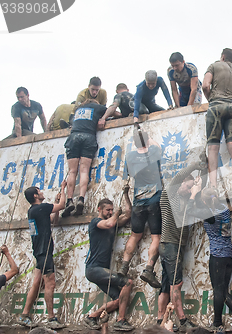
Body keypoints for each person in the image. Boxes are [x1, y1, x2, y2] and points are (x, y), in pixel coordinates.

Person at [186, 186, 232, 332]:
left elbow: (188, 209)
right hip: (229, 255)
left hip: (218, 256)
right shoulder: (223, 208)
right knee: (223, 291)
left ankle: (217, 323)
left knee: (218, 291)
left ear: (204, 200)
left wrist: (193, 194)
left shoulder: (209, 213)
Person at [158, 158, 208, 331]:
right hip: (170, 245)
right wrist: (196, 165)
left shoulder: (186, 202)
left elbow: (197, 197)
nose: (188, 191)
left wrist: (200, 178)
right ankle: (183, 320)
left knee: (166, 285)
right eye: (187, 187)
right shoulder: (170, 195)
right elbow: (180, 176)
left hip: (171, 246)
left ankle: (160, 321)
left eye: (190, 189)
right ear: (178, 187)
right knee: (175, 285)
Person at [202, 48, 232, 197]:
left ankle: (213, 187)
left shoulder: (214, 66)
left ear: (222, 57)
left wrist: (210, 98)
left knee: (213, 148)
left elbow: (205, 85)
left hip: (216, 107)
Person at [18, 181, 67, 329]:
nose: (42, 193)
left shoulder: (34, 211)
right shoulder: (41, 208)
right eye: (39, 191)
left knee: (37, 282)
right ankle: (51, 318)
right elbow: (63, 205)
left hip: (38, 252)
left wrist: (56, 205)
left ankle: (25, 315)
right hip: (44, 252)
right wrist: (63, 189)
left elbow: (53, 220)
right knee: (50, 283)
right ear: (35, 195)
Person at [118, 129, 163, 289]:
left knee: (134, 235)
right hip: (154, 199)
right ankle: (149, 269)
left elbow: (128, 174)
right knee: (156, 237)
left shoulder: (130, 156)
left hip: (138, 200)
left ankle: (124, 266)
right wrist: (148, 137)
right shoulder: (153, 151)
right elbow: (157, 146)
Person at [83, 193, 134, 331]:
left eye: (112, 210)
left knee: (118, 300)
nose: (110, 212)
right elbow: (110, 222)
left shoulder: (112, 223)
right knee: (127, 283)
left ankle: (92, 317)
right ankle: (121, 320)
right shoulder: (96, 222)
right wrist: (116, 213)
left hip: (100, 271)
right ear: (99, 209)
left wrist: (126, 195)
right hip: (94, 269)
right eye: (108, 210)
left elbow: (129, 214)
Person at [63, 100, 116, 217]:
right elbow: (113, 109)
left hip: (74, 136)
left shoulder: (78, 110)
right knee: (84, 171)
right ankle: (81, 198)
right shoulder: (97, 107)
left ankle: (69, 200)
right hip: (88, 136)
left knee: (72, 171)